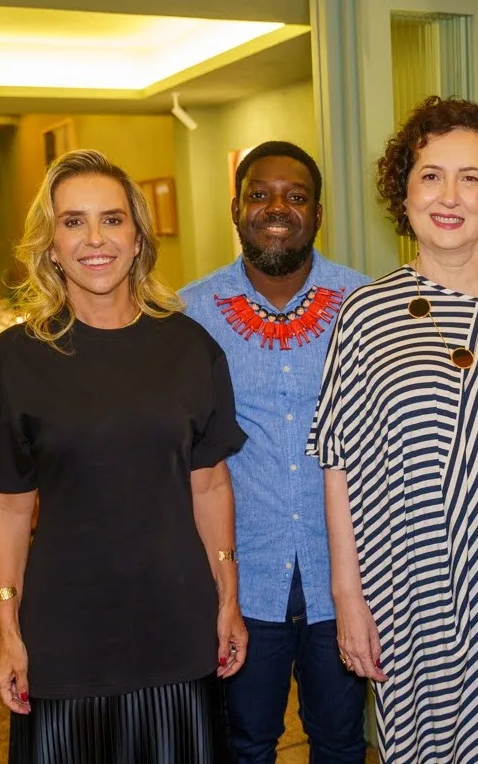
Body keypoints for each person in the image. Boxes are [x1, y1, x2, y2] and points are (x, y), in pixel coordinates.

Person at [0, 149, 247, 764]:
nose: (95, 239)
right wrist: (7, 631)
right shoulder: (14, 361)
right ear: (49, 244)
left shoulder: (190, 347)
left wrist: (228, 598)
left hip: (177, 624)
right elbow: (9, 508)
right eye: (73, 222)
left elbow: (210, 484)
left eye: (112, 220)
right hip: (66, 634)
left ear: (138, 237)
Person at [306, 96, 478, 762]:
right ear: (405, 189)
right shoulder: (365, 313)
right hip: (408, 591)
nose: (449, 195)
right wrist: (348, 597)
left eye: (470, 177)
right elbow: (337, 461)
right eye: (431, 175)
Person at [180, 141, 371, 764]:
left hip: (343, 576)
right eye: (259, 194)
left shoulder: (368, 306)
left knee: (342, 742)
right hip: (239, 578)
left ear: (319, 212)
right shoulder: (187, 314)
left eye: (296, 195)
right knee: (245, 744)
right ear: (235, 209)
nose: (277, 207)